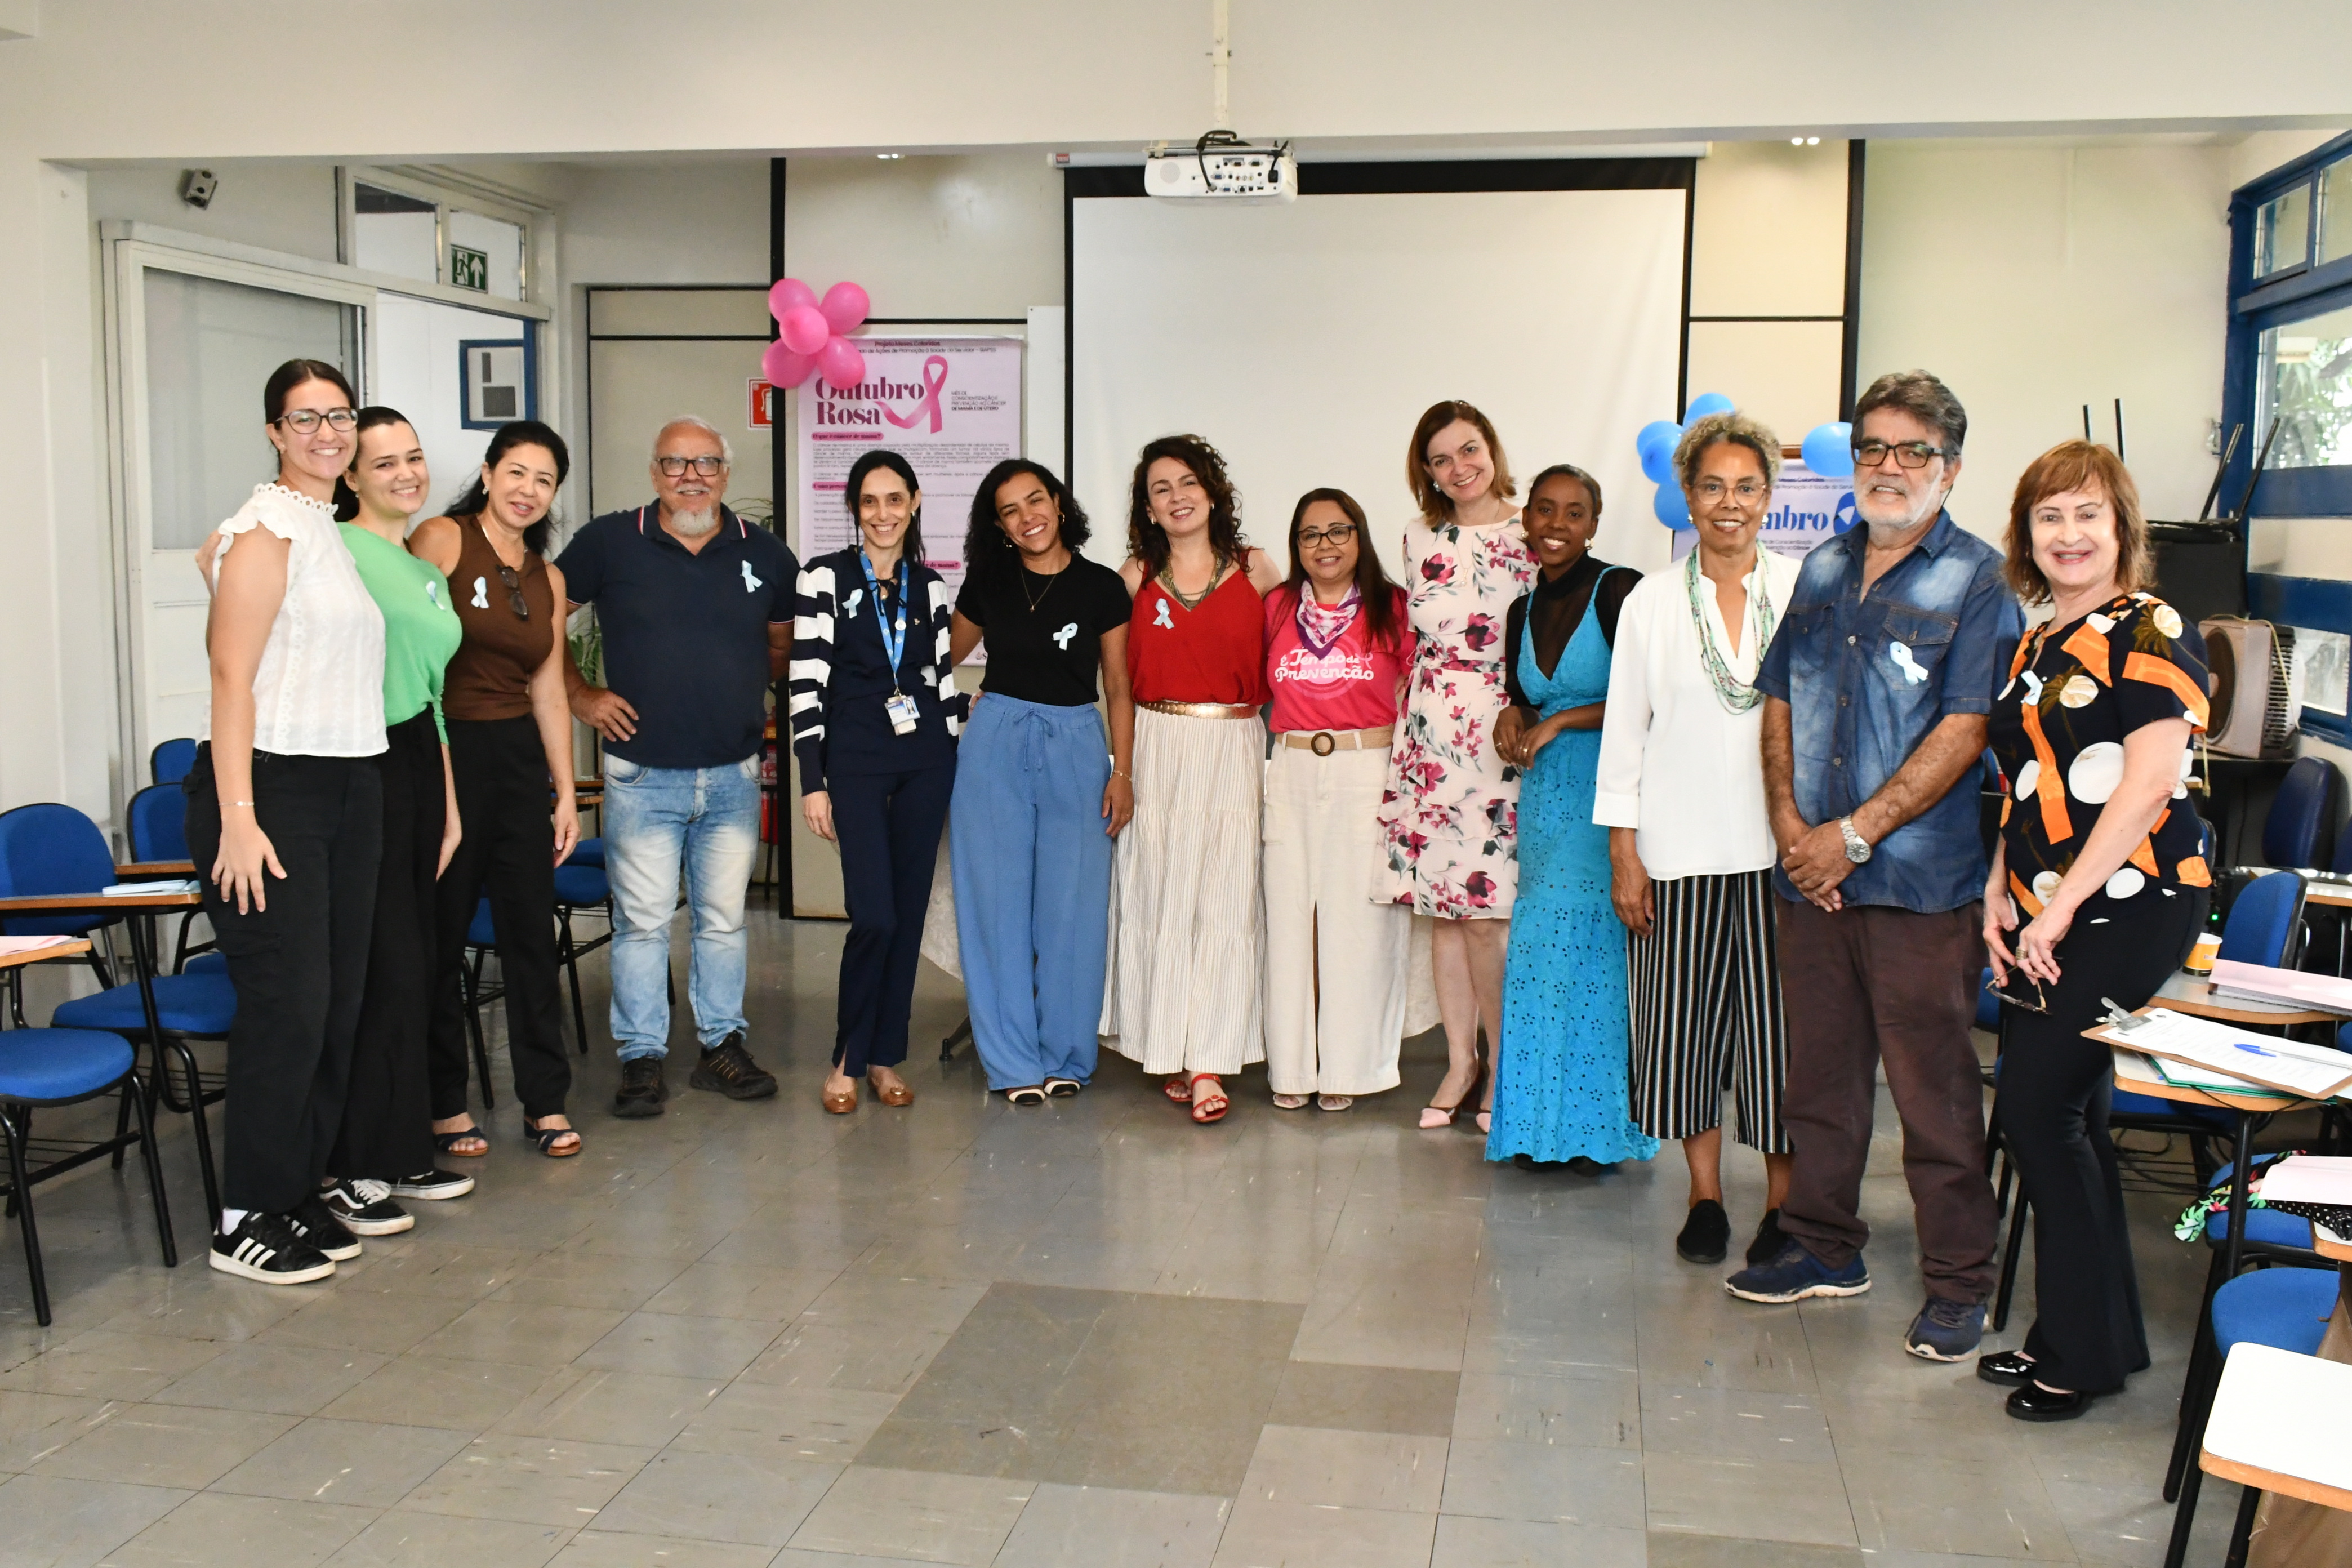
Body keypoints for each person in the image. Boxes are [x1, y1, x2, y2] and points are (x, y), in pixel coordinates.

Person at [1726, 370, 2010, 1367]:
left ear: (1951, 466)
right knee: (1822, 1080)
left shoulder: (1977, 579)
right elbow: (1779, 703)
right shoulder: (1820, 567)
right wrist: (1791, 828)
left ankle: (1957, 1283)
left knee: (1932, 1093)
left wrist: (1850, 834)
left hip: (1915, 887)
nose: (1890, 467)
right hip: (1811, 877)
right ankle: (1820, 1244)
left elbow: (1964, 729)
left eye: (1913, 450)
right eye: (1874, 448)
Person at [1977, 442, 2208, 1420]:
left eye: (2087, 516)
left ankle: (2081, 1349)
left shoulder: (2149, 625)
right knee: (2061, 1115)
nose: (2068, 535)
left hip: (2136, 900)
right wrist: (2000, 888)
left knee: (2040, 1111)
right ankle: (2092, 1331)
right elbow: (2023, 785)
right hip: (2045, 904)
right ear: (2026, 536)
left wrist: (2060, 904)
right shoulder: (2034, 644)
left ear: (2121, 529)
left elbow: (2151, 780)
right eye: (2048, 518)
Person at [191, 358, 385, 1284]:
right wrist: (239, 815)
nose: (325, 432)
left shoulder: (321, 525)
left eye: (338, 415)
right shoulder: (264, 524)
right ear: (274, 429)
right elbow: (231, 676)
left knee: (336, 1002)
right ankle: (243, 1216)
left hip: (349, 779)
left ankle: (296, 1182)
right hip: (271, 789)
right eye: (305, 418)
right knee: (288, 1004)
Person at [1595, 412, 1801, 1267]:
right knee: (1680, 1037)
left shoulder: (1802, 590)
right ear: (1687, 496)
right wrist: (1624, 851)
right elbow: (1624, 734)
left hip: (1782, 859)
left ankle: (1785, 1208)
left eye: (1746, 487)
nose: (1729, 503)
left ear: (1768, 497)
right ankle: (1706, 1197)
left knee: (1780, 1042)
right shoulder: (1649, 601)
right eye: (1712, 486)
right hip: (1675, 857)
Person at [559, 417, 795, 1117]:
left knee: (723, 922)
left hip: (732, 773)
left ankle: (722, 1046)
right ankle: (641, 1058)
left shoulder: (769, 555)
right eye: (674, 463)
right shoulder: (607, 541)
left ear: (727, 472)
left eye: (705, 464)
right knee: (642, 926)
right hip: (641, 774)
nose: (690, 476)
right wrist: (581, 694)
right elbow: (541, 619)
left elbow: (779, 650)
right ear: (654, 472)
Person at [409, 422, 582, 1157]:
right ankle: (444, 1103)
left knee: (529, 938)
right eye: (516, 472)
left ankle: (545, 1102)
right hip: (445, 751)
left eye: (543, 481)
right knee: (440, 938)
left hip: (517, 763)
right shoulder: (441, 540)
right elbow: (407, 653)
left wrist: (565, 793)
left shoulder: (549, 578)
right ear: (487, 474)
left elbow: (547, 691)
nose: (527, 490)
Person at [320, 412, 473, 1223]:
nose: (407, 473)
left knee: (415, 968)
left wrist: (446, 801)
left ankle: (401, 1150)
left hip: (417, 759)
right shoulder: (334, 549)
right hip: (357, 759)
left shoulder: (421, 568)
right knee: (375, 970)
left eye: (415, 459)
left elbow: (431, 693)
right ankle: (350, 1164)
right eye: (386, 462)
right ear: (351, 475)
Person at [1108, 434, 1285, 1124]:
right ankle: (1172, 1047)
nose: (1177, 497)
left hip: (1237, 740)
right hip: (1156, 743)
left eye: (1187, 483)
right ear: (1148, 509)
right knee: (1161, 895)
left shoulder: (1258, 568)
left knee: (1226, 899)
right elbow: (1115, 684)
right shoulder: (1132, 579)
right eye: (1161, 489)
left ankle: (1210, 1056)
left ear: (1212, 491)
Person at [946, 459, 1134, 1103]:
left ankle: (1066, 1057)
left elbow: (1119, 689)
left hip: (1078, 744)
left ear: (1057, 503)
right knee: (994, 906)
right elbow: (938, 660)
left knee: (1073, 909)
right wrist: (960, 712)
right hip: (995, 742)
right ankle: (1011, 1063)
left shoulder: (1104, 587)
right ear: (999, 526)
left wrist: (1123, 773)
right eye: (1011, 510)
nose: (1028, 517)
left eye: (1036, 501)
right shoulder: (989, 583)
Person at [1485, 465, 1654, 1171]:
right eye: (1545, 509)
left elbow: (1645, 696)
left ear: (1593, 523)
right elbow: (1523, 695)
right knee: (1540, 958)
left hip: (1607, 794)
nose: (1557, 523)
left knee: (1596, 957)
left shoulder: (1621, 589)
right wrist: (1514, 716)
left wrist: (1558, 726)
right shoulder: (1520, 609)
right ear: (1526, 517)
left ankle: (1594, 1132)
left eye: (1574, 512)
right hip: (1546, 798)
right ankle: (1535, 1129)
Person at [1378, 401, 1536, 1131]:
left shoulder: (1531, 527)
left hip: (1503, 735)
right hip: (1431, 733)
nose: (1457, 468)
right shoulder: (1417, 536)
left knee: (1486, 919)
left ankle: (1504, 1065)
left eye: (1468, 451)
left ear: (1492, 450)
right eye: (1440, 459)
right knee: (1444, 915)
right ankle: (1458, 1062)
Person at [790, 449, 963, 1113]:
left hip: (924, 759)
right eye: (870, 501)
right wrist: (813, 780)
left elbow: (941, 681)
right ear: (855, 510)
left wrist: (952, 749)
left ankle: (885, 1057)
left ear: (915, 503)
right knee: (875, 915)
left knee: (909, 913)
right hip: (854, 759)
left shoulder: (931, 586)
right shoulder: (824, 579)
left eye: (895, 500)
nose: (883, 514)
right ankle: (848, 1055)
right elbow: (805, 683)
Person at [1260, 488, 1415, 1112]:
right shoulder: (1274, 607)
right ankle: (1291, 1070)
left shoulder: (1394, 605)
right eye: (1310, 534)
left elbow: (1418, 692)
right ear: (1296, 545)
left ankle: (1352, 1070)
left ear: (1360, 537)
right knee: (1289, 919)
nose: (1324, 545)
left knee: (1359, 923)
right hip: (1292, 766)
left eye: (1338, 531)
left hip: (1364, 766)